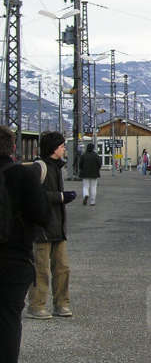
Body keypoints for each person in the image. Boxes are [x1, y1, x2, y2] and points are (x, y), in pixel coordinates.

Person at [0, 125, 49, 363]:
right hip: (14, 257)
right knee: (8, 316)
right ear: (14, 148)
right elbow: (42, 215)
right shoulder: (23, 175)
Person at [27, 132, 77, 320]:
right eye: (62, 146)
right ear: (54, 148)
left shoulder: (57, 168)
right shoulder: (39, 168)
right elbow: (34, 195)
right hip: (42, 229)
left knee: (63, 268)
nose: (64, 149)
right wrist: (61, 197)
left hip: (58, 228)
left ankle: (62, 304)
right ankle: (36, 305)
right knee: (40, 270)